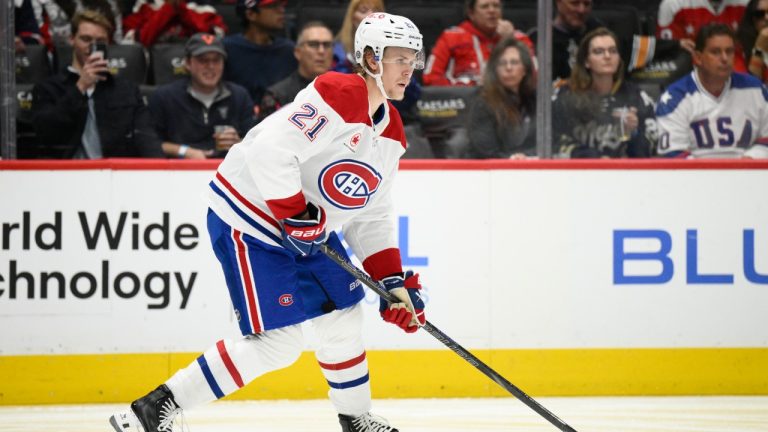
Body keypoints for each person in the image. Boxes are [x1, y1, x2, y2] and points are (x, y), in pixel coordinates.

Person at [108, 12, 427, 432]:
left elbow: (370, 211)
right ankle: (149, 411)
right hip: (252, 220)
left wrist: (390, 281)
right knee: (279, 343)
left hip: (306, 232)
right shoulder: (337, 92)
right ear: (370, 58)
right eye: (398, 58)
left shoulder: (391, 133)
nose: (409, 68)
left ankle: (356, 418)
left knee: (344, 317)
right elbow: (269, 153)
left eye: (414, 58)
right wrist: (295, 214)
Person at [31, 10, 163, 158]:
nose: (92, 47)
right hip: (66, 174)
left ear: (108, 44)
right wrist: (80, 87)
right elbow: (45, 132)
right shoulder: (48, 88)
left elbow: (146, 137)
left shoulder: (126, 90)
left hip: (113, 173)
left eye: (100, 42)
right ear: (72, 39)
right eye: (86, 39)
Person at [656, 23, 768, 158]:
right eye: (715, 52)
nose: (725, 58)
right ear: (698, 58)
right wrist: (711, 174)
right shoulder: (675, 98)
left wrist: (749, 160)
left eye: (729, 51)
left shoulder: (755, 89)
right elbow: (673, 155)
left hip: (748, 174)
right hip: (695, 176)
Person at [148, 33, 256, 159]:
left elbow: (256, 143)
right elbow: (150, 142)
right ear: (188, 63)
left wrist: (238, 142)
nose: (211, 67)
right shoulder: (164, 97)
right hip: (178, 172)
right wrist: (185, 151)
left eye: (216, 60)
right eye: (203, 60)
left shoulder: (239, 95)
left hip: (227, 172)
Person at [552, 27, 656, 158]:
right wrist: (593, 159)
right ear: (586, 61)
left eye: (613, 51)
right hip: (578, 173)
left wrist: (634, 133)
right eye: (598, 52)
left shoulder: (636, 96)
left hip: (625, 174)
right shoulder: (566, 96)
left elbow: (650, 151)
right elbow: (553, 143)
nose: (607, 56)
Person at [530, 0, 691, 84]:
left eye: (586, 4)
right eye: (574, 3)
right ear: (558, 2)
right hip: (558, 115)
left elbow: (627, 47)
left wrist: (675, 44)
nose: (581, 10)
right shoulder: (539, 39)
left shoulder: (596, 29)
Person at [423, 0, 536, 86]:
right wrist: (466, 91)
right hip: (463, 105)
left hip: (510, 104)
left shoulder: (519, 38)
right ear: (471, 13)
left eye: (496, 6)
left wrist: (510, 41)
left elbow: (537, 78)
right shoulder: (451, 37)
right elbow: (430, 77)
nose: (492, 10)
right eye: (484, 6)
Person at [465, 37, 536, 159]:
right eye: (502, 63)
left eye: (514, 62)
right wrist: (512, 158)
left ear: (525, 69)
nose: (508, 68)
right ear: (495, 70)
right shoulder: (483, 103)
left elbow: (549, 142)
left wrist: (527, 156)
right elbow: (486, 152)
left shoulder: (536, 100)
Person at [259, 21, 334, 121]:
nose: (321, 51)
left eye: (327, 45)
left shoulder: (345, 91)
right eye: (313, 44)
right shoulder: (277, 95)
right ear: (298, 52)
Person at [223, 0, 297, 102]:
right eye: (273, 6)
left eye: (281, 5)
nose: (281, 10)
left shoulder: (289, 50)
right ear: (251, 14)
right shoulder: (227, 48)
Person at [122, 0, 226, 47]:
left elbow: (211, 41)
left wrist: (181, 8)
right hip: (154, 75)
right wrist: (168, 9)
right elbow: (140, 42)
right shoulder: (143, 7)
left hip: (197, 74)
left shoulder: (205, 9)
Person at [332, 0, 384, 74]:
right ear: (352, 17)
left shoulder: (392, 48)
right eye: (363, 11)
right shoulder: (336, 52)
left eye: (376, 11)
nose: (371, 15)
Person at [737, 0, 768, 83]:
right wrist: (759, 49)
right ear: (752, 19)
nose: (766, 18)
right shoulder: (740, 47)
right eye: (760, 14)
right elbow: (752, 86)